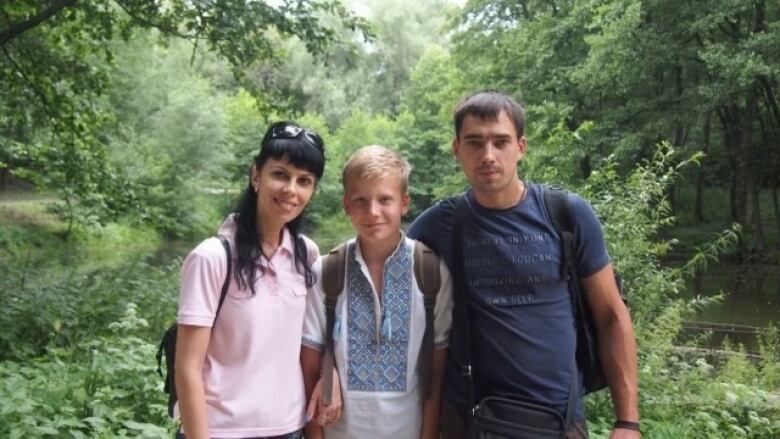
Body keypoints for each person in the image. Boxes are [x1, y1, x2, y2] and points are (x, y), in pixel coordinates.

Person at [407, 91, 640, 438]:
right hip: (468, 421)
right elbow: (381, 282)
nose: (488, 155)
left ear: (521, 146)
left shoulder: (567, 215)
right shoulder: (439, 224)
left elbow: (611, 315)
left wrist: (628, 422)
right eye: (474, 142)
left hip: (559, 421)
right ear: (457, 149)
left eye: (501, 142)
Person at [175, 121, 338, 439]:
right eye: (280, 174)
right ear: (255, 176)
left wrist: (329, 377)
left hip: (290, 428)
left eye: (304, 181)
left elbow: (316, 338)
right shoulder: (213, 257)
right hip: (221, 430)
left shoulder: (307, 254)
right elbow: (187, 368)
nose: (291, 189)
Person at [300, 145, 454, 439]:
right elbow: (308, 369)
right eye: (361, 201)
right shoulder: (325, 272)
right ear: (346, 206)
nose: (373, 212)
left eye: (385, 199)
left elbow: (436, 376)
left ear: (404, 203)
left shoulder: (432, 273)